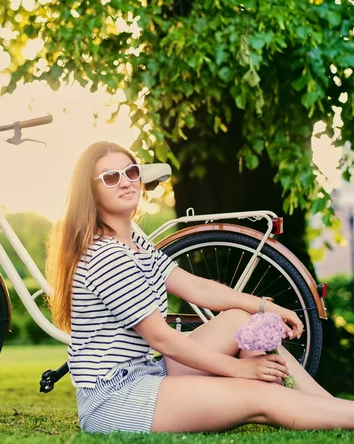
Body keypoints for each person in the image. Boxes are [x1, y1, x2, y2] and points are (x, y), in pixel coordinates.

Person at [47, 141, 354, 434]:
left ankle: (328, 406)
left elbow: (196, 287)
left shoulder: (133, 243)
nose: (126, 182)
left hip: (147, 373)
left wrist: (265, 306)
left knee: (239, 320)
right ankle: (335, 412)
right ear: (91, 191)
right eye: (111, 177)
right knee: (257, 393)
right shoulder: (106, 256)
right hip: (115, 399)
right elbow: (162, 338)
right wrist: (239, 370)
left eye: (132, 172)